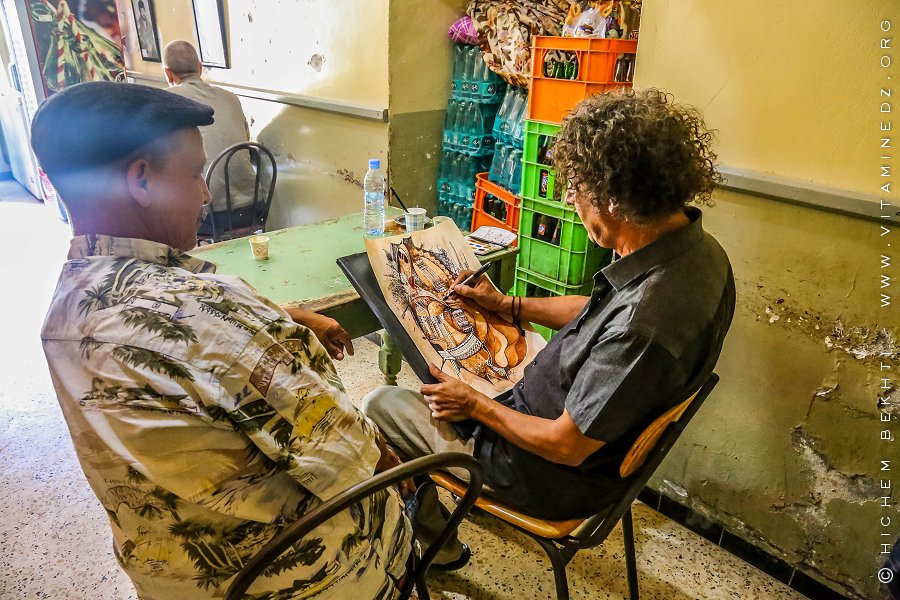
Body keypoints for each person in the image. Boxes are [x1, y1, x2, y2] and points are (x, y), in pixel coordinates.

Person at [33, 81, 411, 599]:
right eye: (195, 175)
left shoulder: (63, 313)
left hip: (172, 575)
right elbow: (348, 453)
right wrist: (389, 458)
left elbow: (196, 340)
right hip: (297, 576)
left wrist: (282, 315)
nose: (206, 194)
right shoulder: (213, 314)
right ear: (141, 180)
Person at [363, 88, 736, 565]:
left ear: (614, 202)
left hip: (548, 471)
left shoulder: (645, 325)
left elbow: (566, 446)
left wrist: (475, 404)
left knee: (380, 403)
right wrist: (508, 304)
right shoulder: (698, 253)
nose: (569, 201)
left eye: (576, 191)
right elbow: (598, 311)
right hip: (572, 427)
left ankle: (439, 547)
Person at [163, 40, 259, 236]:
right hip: (254, 206)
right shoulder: (231, 97)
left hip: (210, 214)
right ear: (200, 68)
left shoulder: (167, 101)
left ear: (167, 73)